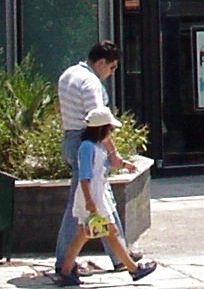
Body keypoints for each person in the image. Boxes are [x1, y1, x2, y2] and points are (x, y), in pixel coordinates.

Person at [55, 41, 139, 275]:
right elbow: (99, 122)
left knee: (103, 200)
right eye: (111, 67)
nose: (111, 73)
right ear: (101, 62)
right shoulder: (91, 83)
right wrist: (113, 153)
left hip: (70, 138)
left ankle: (120, 255)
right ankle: (64, 261)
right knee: (81, 205)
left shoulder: (68, 74)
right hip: (87, 142)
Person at [55, 106, 157, 286]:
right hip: (94, 195)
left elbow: (103, 166)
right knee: (108, 232)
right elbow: (85, 177)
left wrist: (124, 164)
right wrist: (89, 201)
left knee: (85, 233)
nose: (111, 132)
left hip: (95, 194)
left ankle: (66, 271)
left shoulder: (94, 146)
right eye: (109, 129)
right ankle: (133, 269)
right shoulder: (88, 148)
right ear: (102, 129)